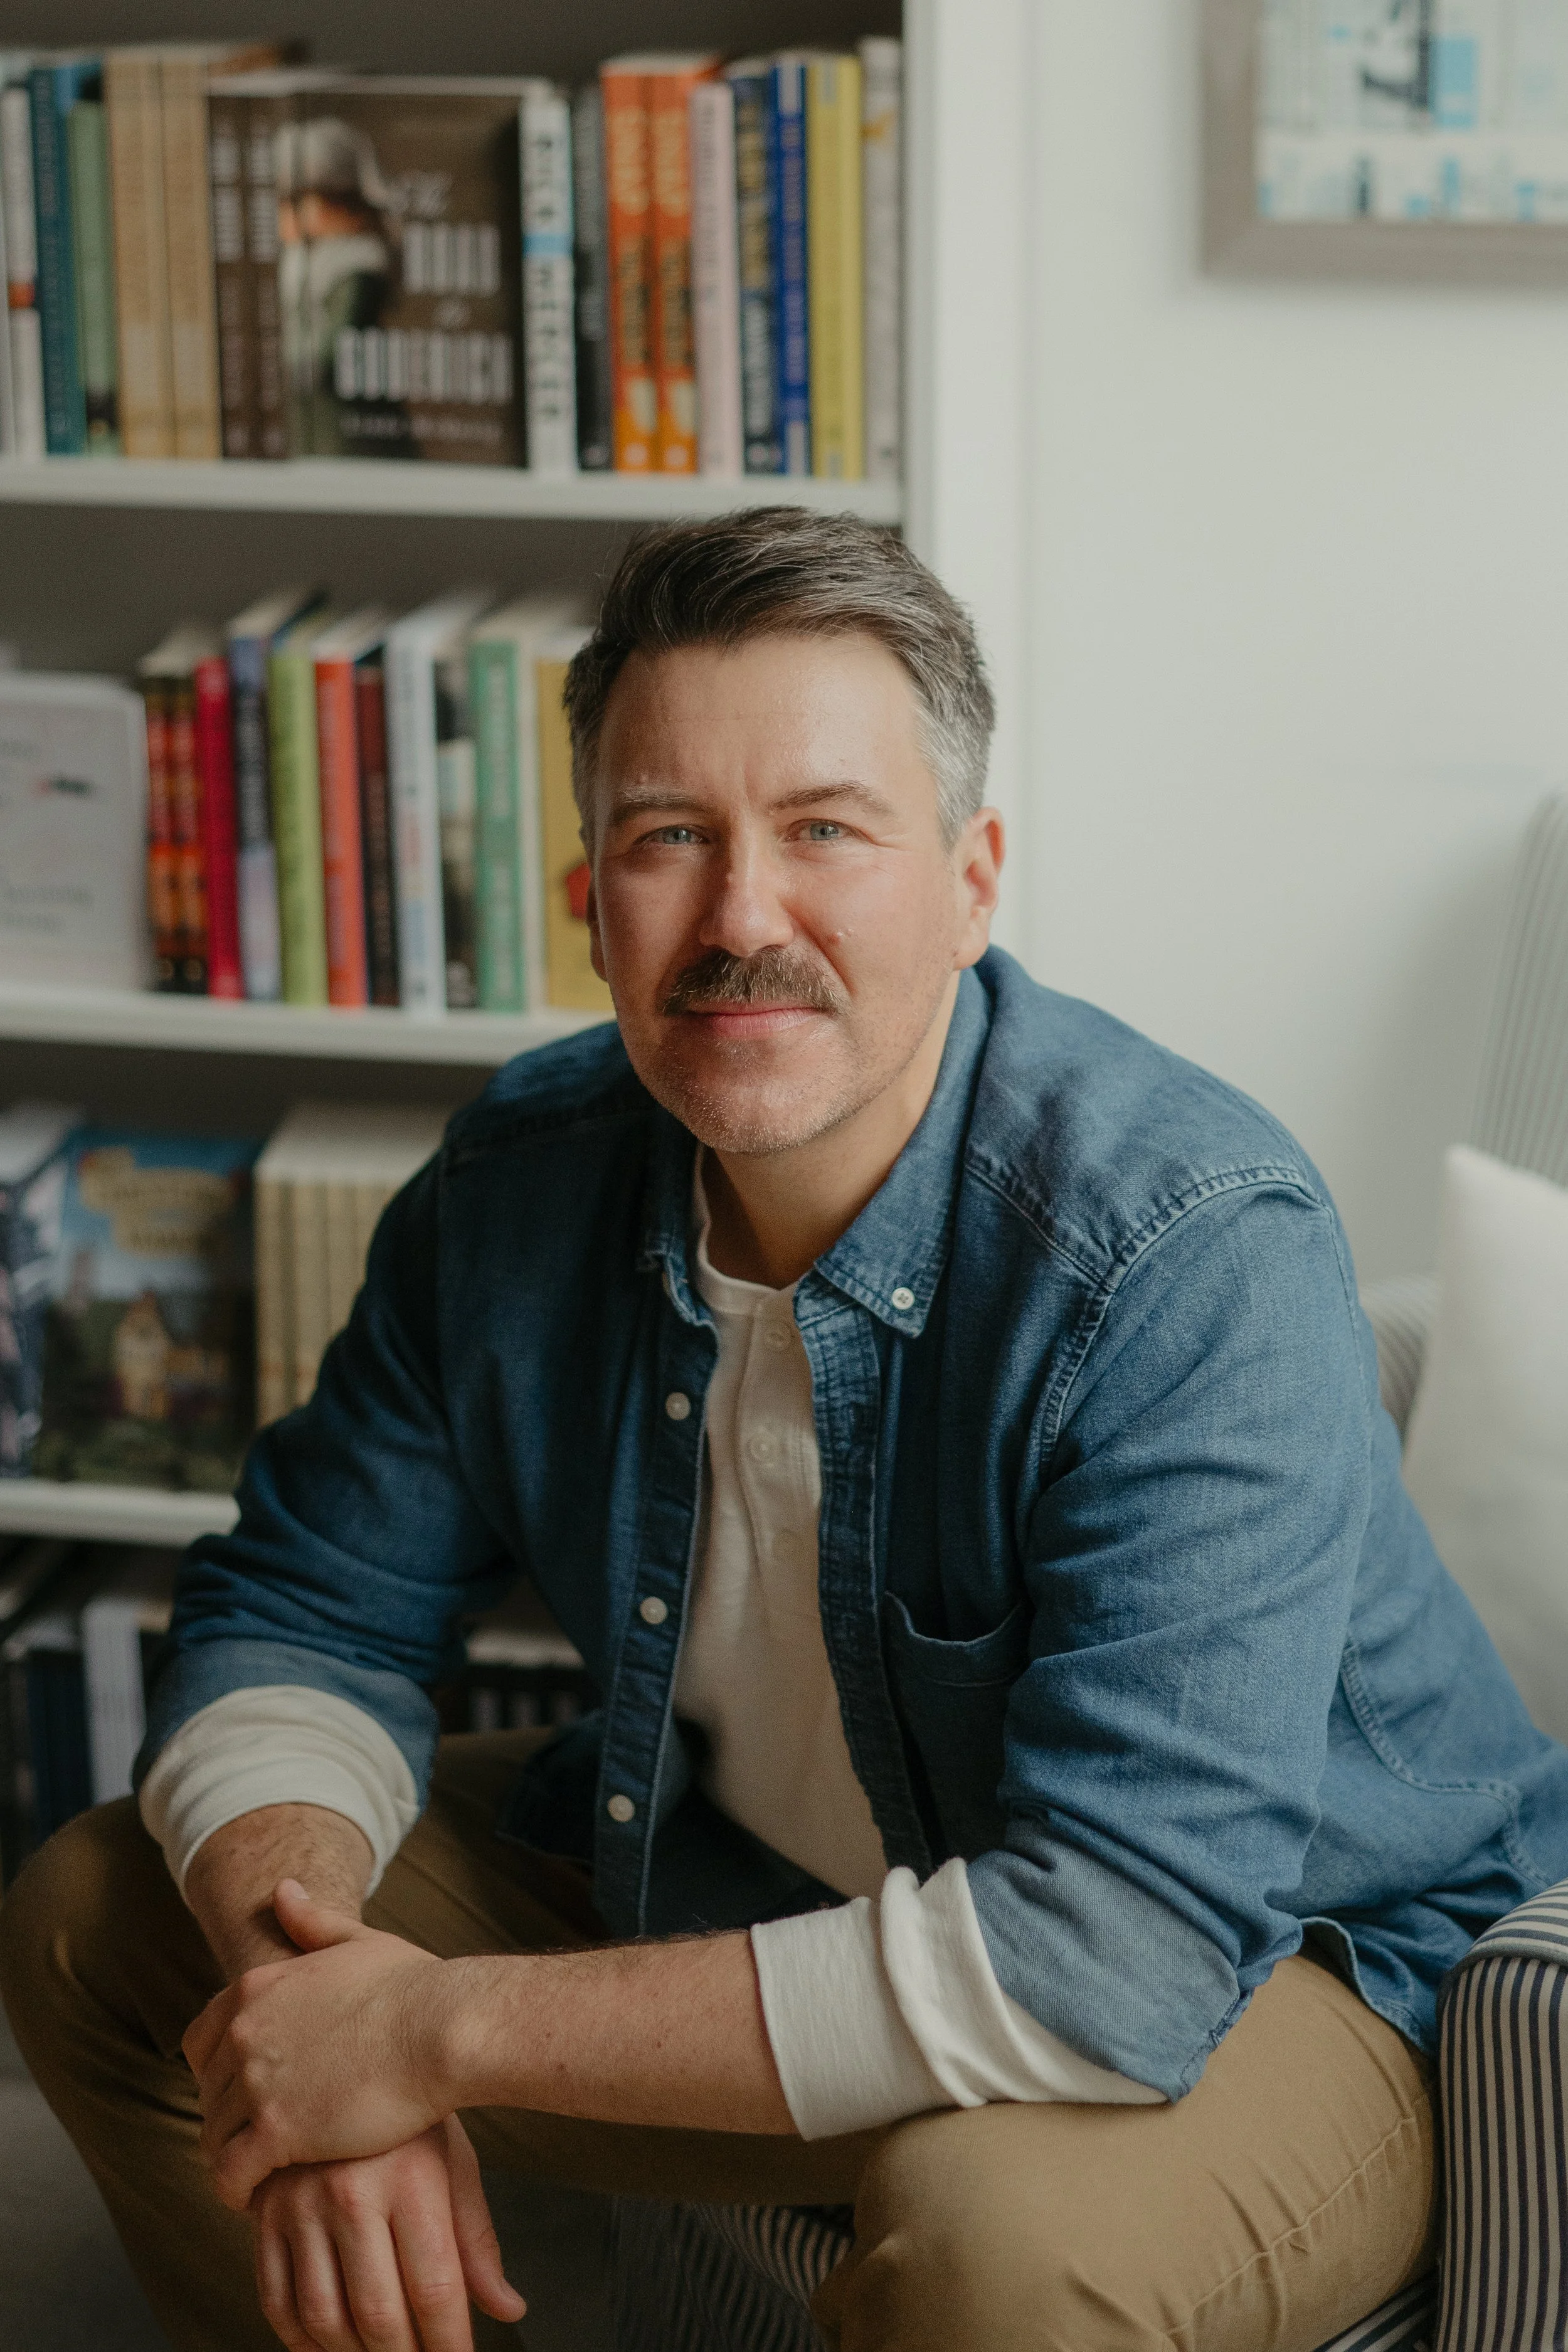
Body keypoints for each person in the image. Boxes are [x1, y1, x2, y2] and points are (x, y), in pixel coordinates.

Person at [5, 507, 1567, 2352]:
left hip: (1293, 1954)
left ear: (972, 876)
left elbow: (1117, 1949)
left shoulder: (1182, 1244)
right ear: (590, 895)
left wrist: (430, 2030)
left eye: (827, 828)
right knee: (110, 1907)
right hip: (751, 1858)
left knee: (996, 2248)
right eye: (671, 837)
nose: (744, 917)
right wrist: (305, 2001)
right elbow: (299, 1616)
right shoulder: (519, 1180)